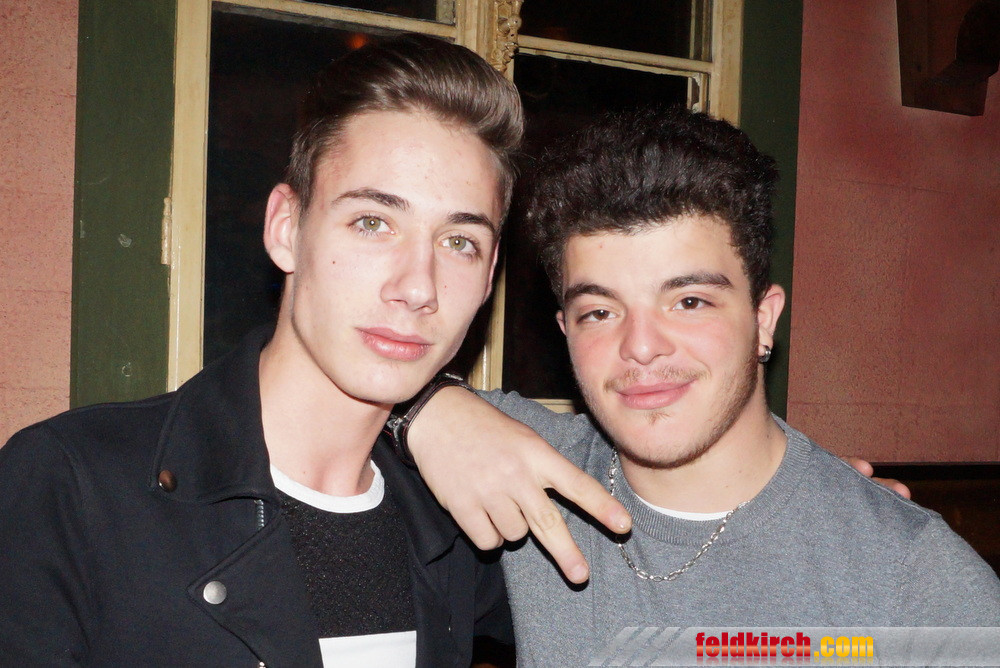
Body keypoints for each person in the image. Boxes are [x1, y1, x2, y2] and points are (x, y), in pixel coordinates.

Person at [0, 34, 627, 667]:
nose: (418, 287)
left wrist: (433, 408)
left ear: (489, 277)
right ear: (285, 229)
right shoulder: (71, 487)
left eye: (459, 242)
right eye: (372, 223)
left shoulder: (469, 516)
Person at [404, 107, 1000, 665]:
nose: (641, 346)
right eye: (600, 312)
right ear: (565, 332)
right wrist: (424, 410)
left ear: (763, 321)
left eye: (689, 301)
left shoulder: (911, 578)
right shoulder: (516, 467)